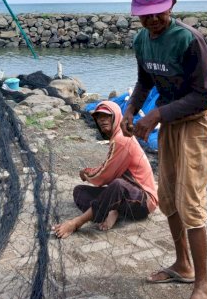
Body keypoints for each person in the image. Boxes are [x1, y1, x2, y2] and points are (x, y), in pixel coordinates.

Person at [121, 0, 207, 299]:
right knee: (168, 198)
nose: (152, 20)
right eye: (145, 15)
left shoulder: (189, 41)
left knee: (190, 201)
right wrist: (132, 109)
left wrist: (157, 115)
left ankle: (203, 288)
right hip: (170, 120)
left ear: (171, 7)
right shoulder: (141, 41)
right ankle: (183, 265)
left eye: (158, 13)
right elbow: (145, 79)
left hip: (196, 120)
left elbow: (206, 96)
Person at [52, 100, 158, 238]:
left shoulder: (122, 138)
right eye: (98, 118)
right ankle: (111, 210)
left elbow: (105, 175)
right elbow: (108, 165)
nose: (102, 120)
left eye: (106, 116)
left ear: (116, 117)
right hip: (124, 198)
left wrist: (87, 174)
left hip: (143, 201)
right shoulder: (116, 138)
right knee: (79, 191)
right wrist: (88, 172)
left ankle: (76, 223)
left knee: (117, 185)